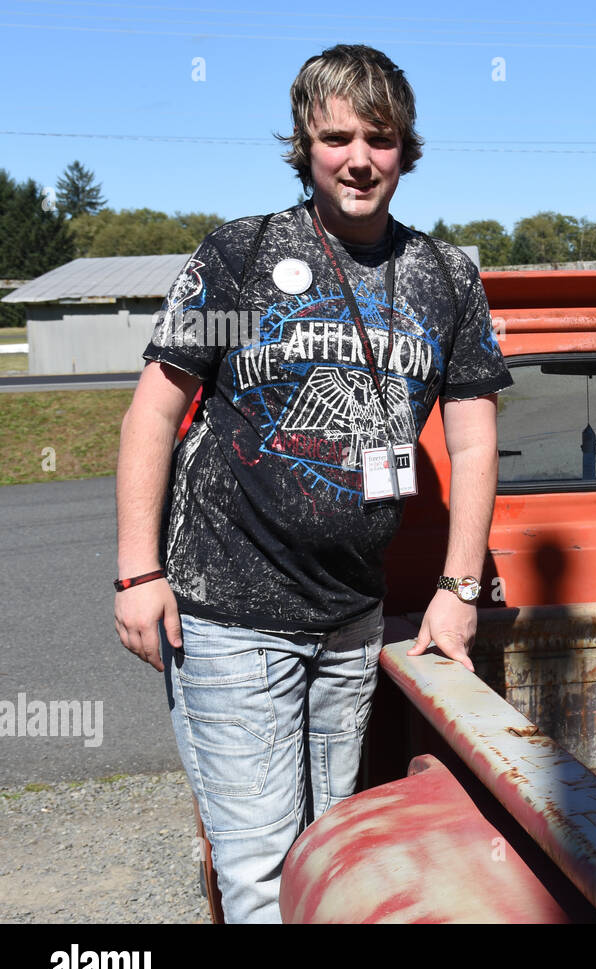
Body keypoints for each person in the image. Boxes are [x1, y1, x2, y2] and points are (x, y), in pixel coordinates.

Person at [113, 43, 511, 923]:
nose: (359, 158)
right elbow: (153, 412)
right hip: (228, 610)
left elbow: (474, 443)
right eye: (337, 137)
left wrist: (458, 588)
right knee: (259, 868)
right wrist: (138, 572)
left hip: (349, 617)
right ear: (305, 143)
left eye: (380, 137)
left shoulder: (447, 278)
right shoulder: (241, 256)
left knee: (333, 849)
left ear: (407, 148)